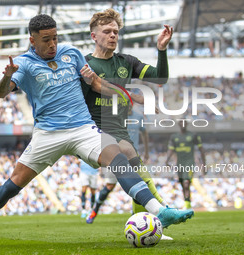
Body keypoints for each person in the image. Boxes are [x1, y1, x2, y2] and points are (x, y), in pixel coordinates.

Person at [0, 14, 193, 247]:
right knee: (12, 185)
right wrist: (7, 77)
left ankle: (160, 212)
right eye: (46, 40)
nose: (53, 44)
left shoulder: (72, 54)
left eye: (55, 38)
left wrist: (129, 95)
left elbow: (96, 83)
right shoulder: (23, 63)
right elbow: (0, 94)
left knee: (118, 158)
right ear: (32, 40)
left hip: (82, 129)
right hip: (48, 134)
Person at [82, 8, 169, 224]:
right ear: (94, 36)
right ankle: (162, 209)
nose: (113, 35)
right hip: (90, 132)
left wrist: (161, 49)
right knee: (129, 156)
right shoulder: (84, 65)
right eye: (107, 31)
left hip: (118, 132)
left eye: (116, 32)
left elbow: (161, 77)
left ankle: (152, 218)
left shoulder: (126, 62)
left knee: (134, 164)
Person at [165, 120, 206, 209]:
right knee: (183, 184)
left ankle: (187, 205)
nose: (182, 124)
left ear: (187, 124)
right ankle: (187, 201)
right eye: (180, 122)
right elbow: (170, 149)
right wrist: (166, 160)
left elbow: (201, 150)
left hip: (189, 163)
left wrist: (204, 165)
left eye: (184, 122)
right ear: (178, 124)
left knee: (186, 182)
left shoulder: (193, 135)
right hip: (179, 164)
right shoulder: (174, 137)